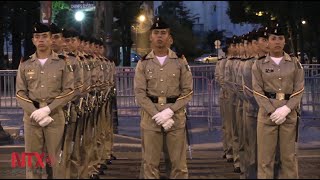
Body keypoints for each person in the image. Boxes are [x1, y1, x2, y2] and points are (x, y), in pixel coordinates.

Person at [134, 17, 193, 179]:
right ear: (150, 37)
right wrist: (156, 114)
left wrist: (169, 112)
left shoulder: (180, 61)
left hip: (175, 117)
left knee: (178, 164)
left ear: (170, 38)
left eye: (163, 33)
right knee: (150, 164)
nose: (160, 36)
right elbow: (140, 93)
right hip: (151, 118)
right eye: (156, 33)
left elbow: (187, 91)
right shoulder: (143, 63)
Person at [15, 22, 75, 179]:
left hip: (54, 116)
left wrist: (48, 109)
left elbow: (69, 90)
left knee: (56, 163)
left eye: (44, 36)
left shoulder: (63, 62)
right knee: (32, 163)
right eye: (37, 37)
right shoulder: (25, 63)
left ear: (50, 40)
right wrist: (36, 113)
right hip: (32, 118)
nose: (40, 40)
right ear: (33, 41)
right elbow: (20, 92)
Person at [252, 23, 304, 179]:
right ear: (268, 41)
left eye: (280, 38)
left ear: (285, 41)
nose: (277, 42)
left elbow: (299, 89)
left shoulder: (294, 63)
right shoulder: (259, 64)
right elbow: (257, 90)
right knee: (265, 160)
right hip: (268, 116)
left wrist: (287, 109)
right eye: (273, 38)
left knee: (288, 158)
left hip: (288, 115)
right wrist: (271, 110)